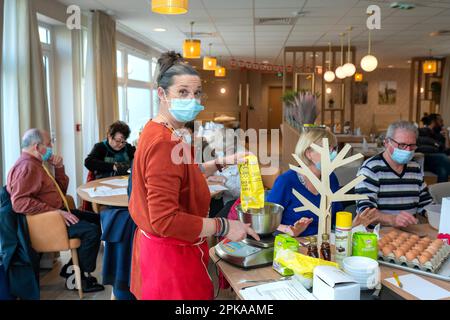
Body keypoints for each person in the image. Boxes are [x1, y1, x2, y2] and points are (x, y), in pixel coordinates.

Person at [128, 51, 259, 300]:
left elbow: (185, 174)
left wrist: (223, 162)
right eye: (183, 92)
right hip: (171, 258)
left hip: (167, 251)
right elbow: (164, 220)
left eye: (197, 92)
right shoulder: (164, 142)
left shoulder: (161, 130)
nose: (192, 99)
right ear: (162, 94)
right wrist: (224, 226)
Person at [6, 129, 104, 293]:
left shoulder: (36, 164)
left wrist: (59, 168)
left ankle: (72, 268)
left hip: (57, 212)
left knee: (99, 220)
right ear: (37, 147)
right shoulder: (27, 168)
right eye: (49, 143)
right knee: (92, 231)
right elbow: (19, 202)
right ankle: (80, 278)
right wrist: (56, 212)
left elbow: (61, 192)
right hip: (49, 222)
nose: (52, 146)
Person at [355, 121, 433, 228]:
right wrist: (393, 220)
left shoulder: (415, 168)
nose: (408, 150)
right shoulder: (371, 169)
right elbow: (366, 212)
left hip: (409, 233)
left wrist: (438, 215)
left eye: (412, 146)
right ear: (387, 143)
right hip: (377, 236)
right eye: (402, 145)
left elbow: (425, 203)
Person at [267, 127, 343, 237]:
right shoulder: (286, 182)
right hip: (291, 244)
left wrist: (353, 224)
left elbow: (335, 218)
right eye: (327, 148)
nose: (333, 154)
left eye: (334, 149)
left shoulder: (331, 179)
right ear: (309, 153)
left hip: (324, 243)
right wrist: (289, 230)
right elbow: (267, 220)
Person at [417, 113, 450, 182]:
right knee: (442, 157)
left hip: (436, 162)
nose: (442, 124)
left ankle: (441, 193)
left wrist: (447, 137)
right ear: (433, 122)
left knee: (443, 171)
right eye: (440, 121)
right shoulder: (420, 132)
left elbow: (447, 151)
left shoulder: (440, 136)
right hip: (422, 158)